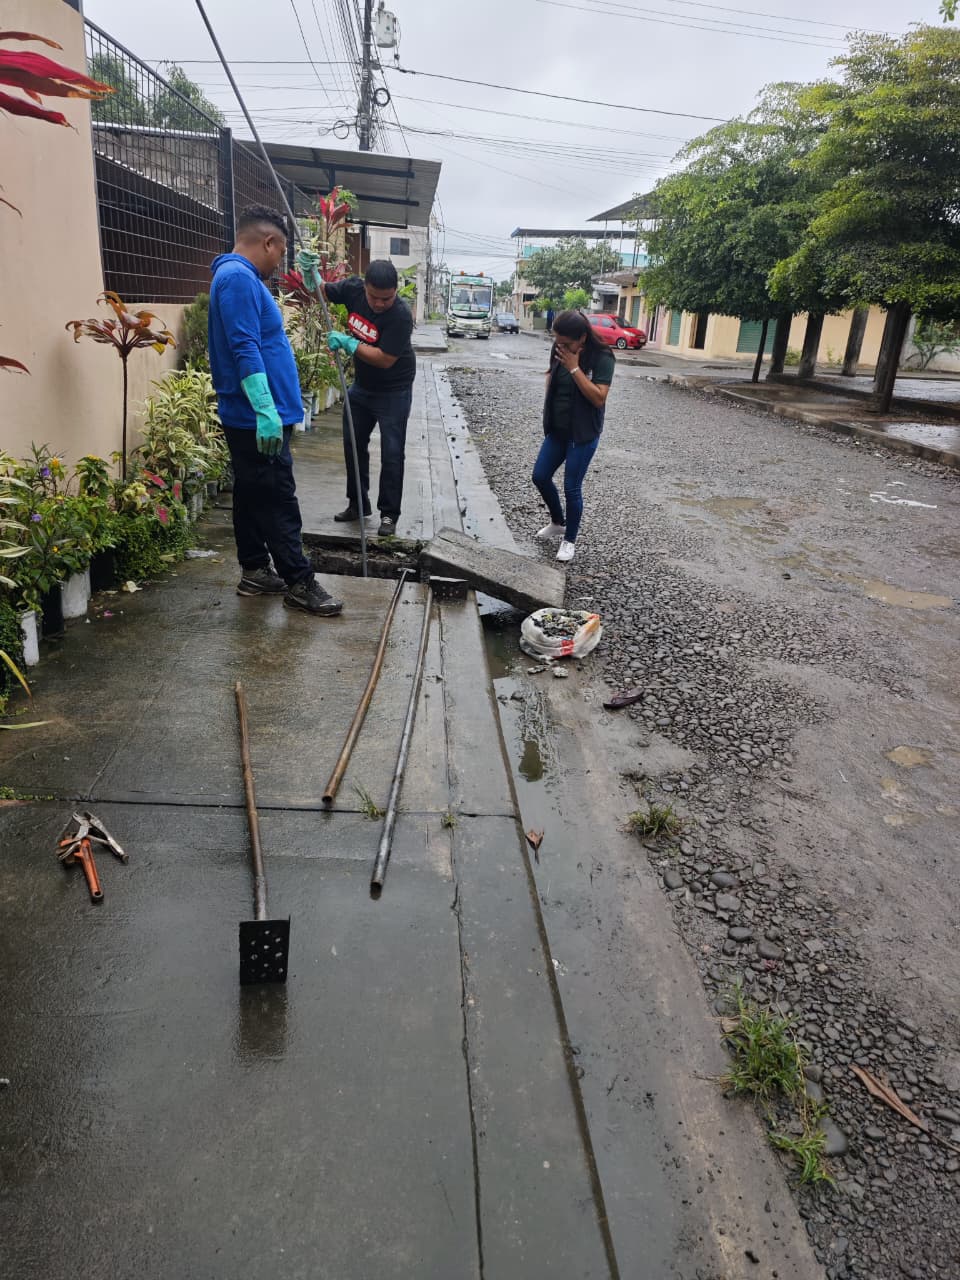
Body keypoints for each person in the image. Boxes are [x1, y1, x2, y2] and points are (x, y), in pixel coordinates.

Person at [208, 205, 342, 616]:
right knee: (276, 497)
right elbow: (244, 346)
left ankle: (254, 570)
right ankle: (299, 582)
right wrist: (265, 409)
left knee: (251, 493)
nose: (279, 263)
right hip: (255, 418)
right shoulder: (237, 278)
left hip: (252, 415)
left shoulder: (238, 277)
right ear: (268, 242)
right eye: (280, 253)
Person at [296, 254, 415, 537]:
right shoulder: (352, 289)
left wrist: (349, 343)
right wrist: (311, 275)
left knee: (392, 452)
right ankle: (357, 504)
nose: (380, 304)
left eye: (387, 298)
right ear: (365, 287)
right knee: (353, 444)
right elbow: (323, 291)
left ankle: (389, 515)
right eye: (374, 297)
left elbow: (384, 359)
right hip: (362, 386)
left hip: (394, 390)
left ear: (395, 292)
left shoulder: (400, 315)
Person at [532, 309, 615, 564]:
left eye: (567, 343)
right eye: (558, 342)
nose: (561, 347)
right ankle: (558, 522)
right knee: (540, 476)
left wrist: (574, 368)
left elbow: (599, 398)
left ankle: (569, 540)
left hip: (583, 433)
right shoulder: (560, 347)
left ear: (582, 338)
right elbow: (551, 373)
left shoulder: (602, 356)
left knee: (572, 487)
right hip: (558, 430)